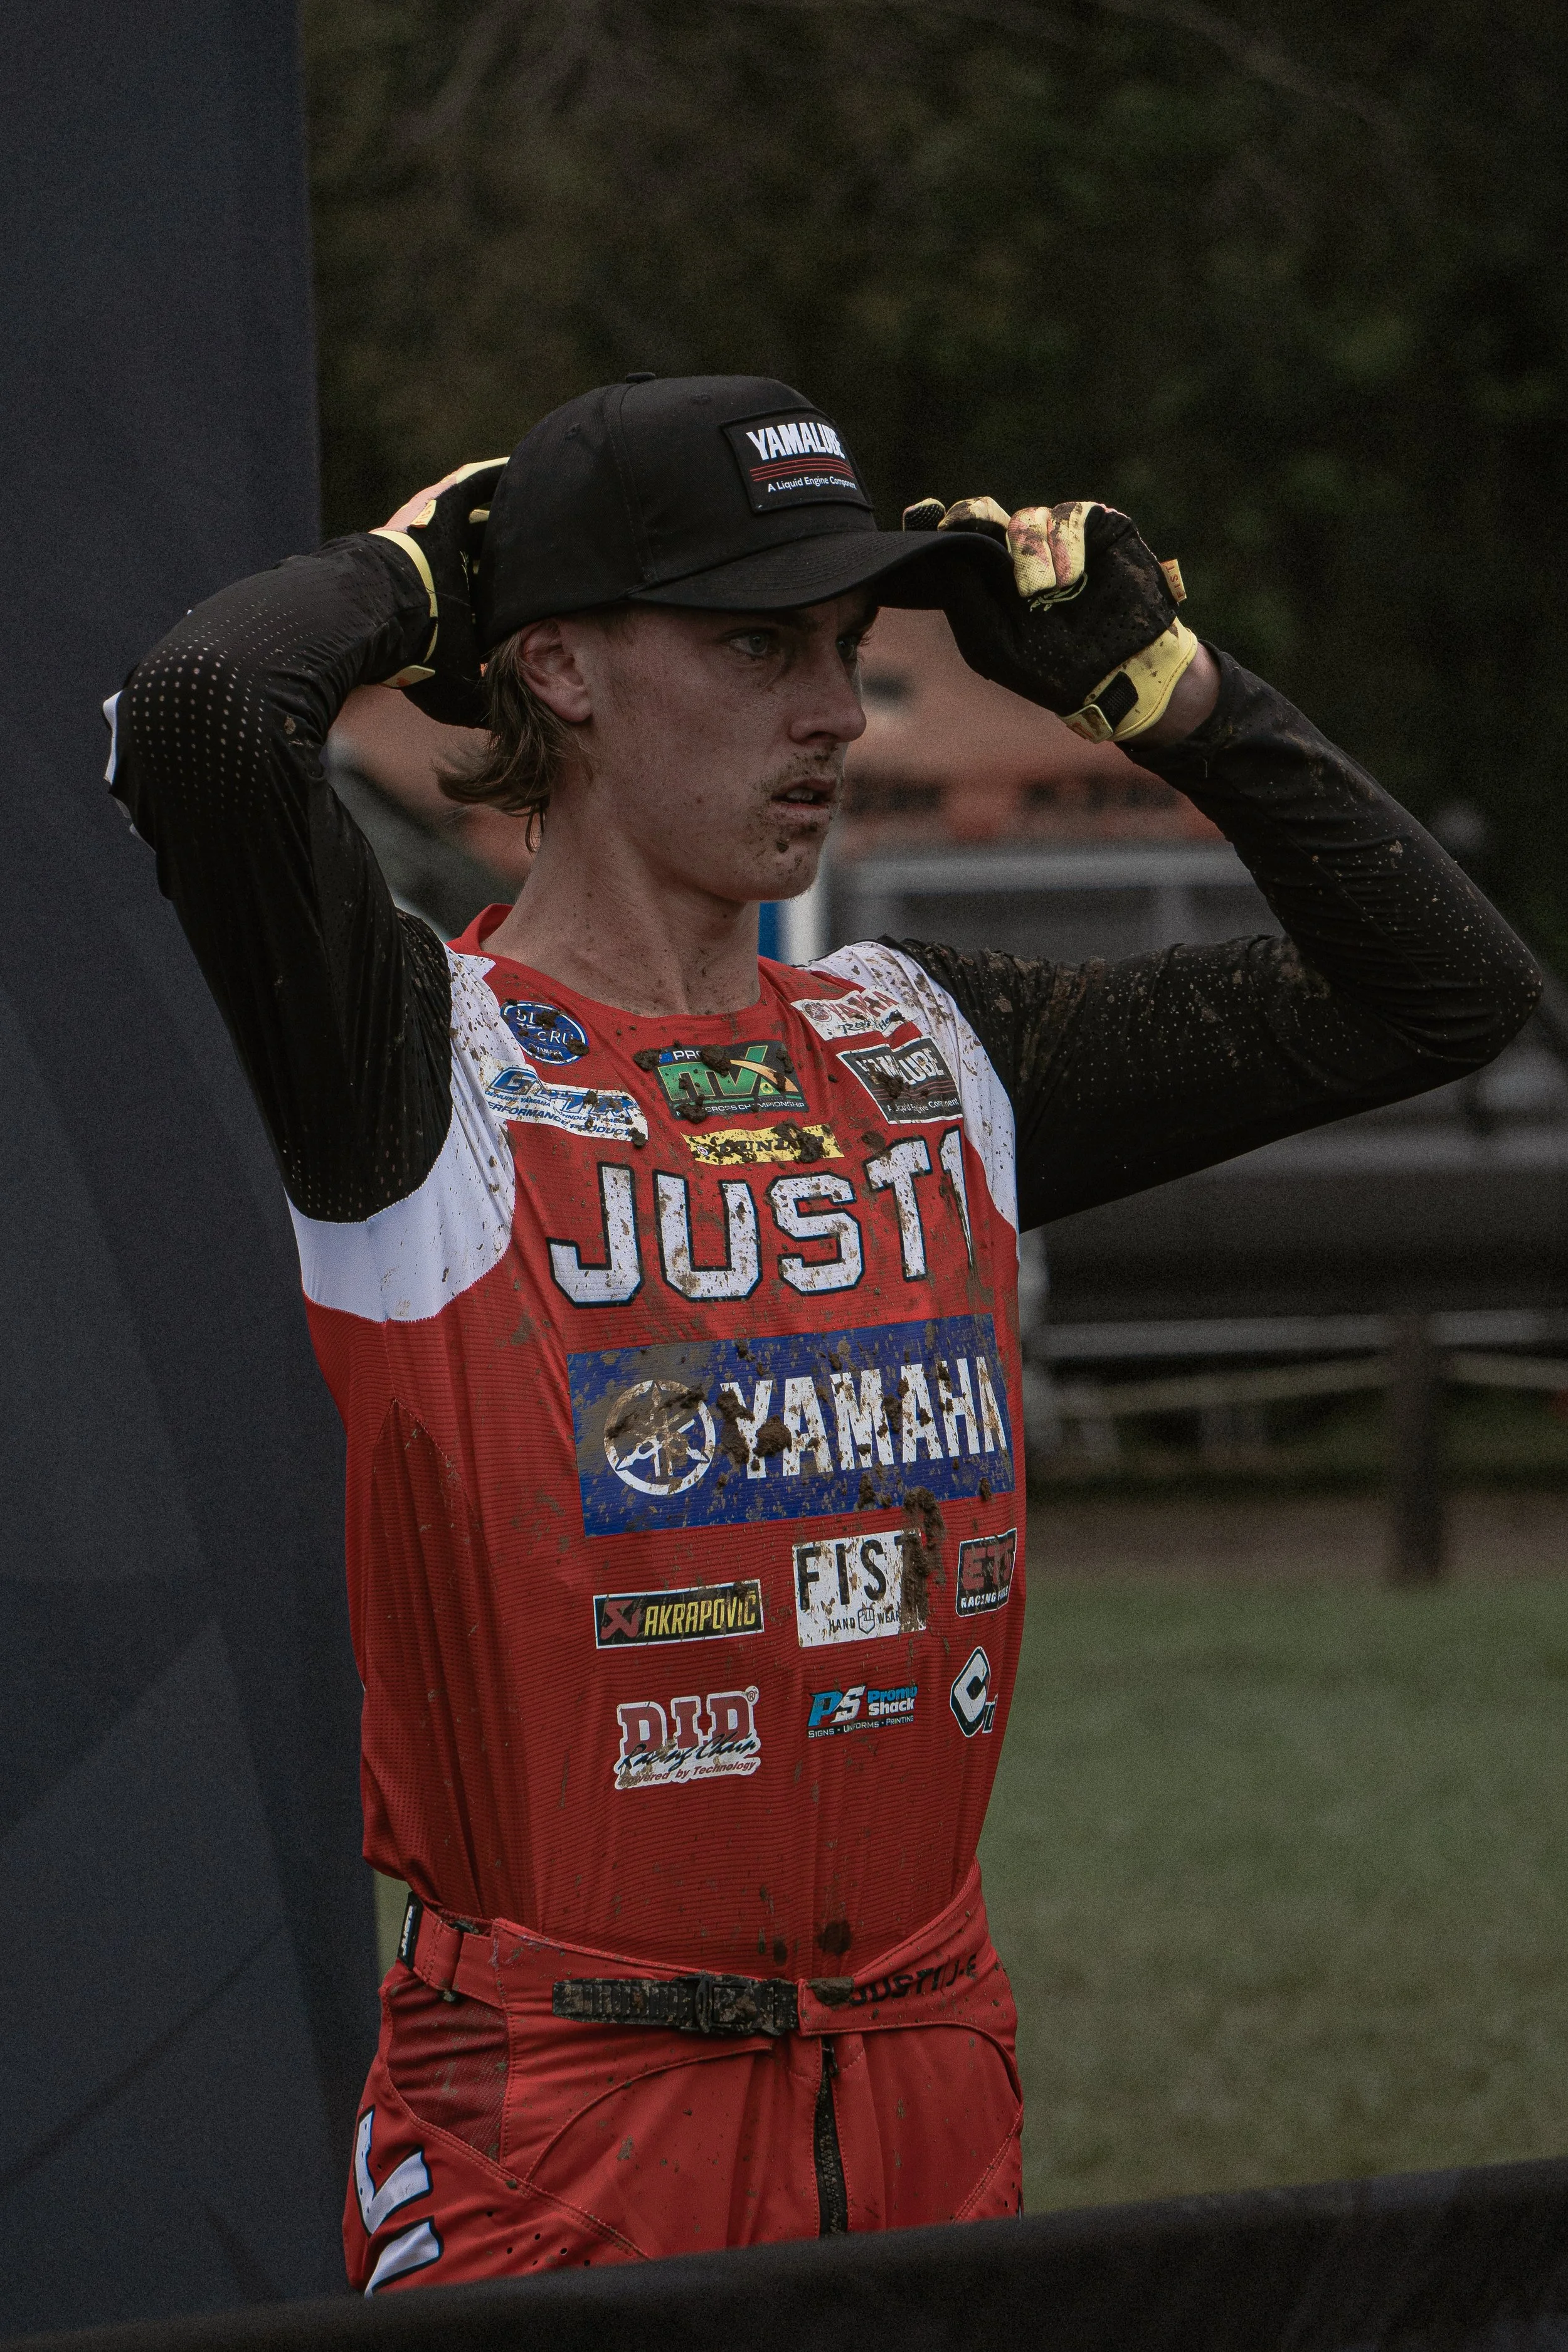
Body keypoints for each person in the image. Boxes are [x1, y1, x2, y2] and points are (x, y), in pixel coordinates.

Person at [108, 374, 1539, 2292]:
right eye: (751, 644)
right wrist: (404, 576)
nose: (826, 712)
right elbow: (204, 717)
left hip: (929, 2083)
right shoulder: (413, 1065)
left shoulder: (926, 1042)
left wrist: (1179, 703)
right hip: (565, 2114)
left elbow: (1444, 996)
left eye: (846, 650)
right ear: (557, 668)